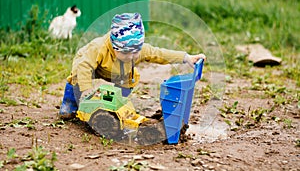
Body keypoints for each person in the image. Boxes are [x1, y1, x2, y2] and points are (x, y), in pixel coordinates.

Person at [59, 12, 206, 119]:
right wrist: (86, 91)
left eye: (134, 52)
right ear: (115, 47)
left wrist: (186, 58)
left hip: (117, 72)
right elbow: (85, 66)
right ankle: (69, 104)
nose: (131, 57)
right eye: (125, 53)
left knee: (130, 79)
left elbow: (160, 54)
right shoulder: (98, 48)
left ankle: (116, 106)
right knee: (77, 78)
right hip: (92, 66)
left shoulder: (139, 51)